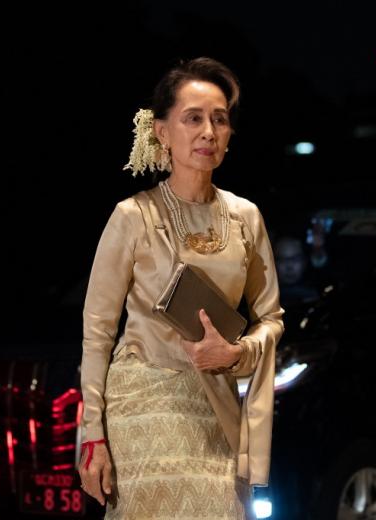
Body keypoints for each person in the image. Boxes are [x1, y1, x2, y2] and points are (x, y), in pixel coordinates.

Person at [78, 57, 284, 519]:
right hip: (144, 403)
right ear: (162, 132)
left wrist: (236, 355)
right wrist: (92, 434)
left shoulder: (245, 218)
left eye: (220, 119)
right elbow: (97, 334)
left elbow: (271, 319)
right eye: (193, 118)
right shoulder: (132, 216)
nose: (208, 131)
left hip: (216, 402)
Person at [273, 235, 319, 305]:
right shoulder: (263, 297)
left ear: (305, 261)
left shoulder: (318, 291)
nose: (289, 266)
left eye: (295, 259)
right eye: (282, 259)